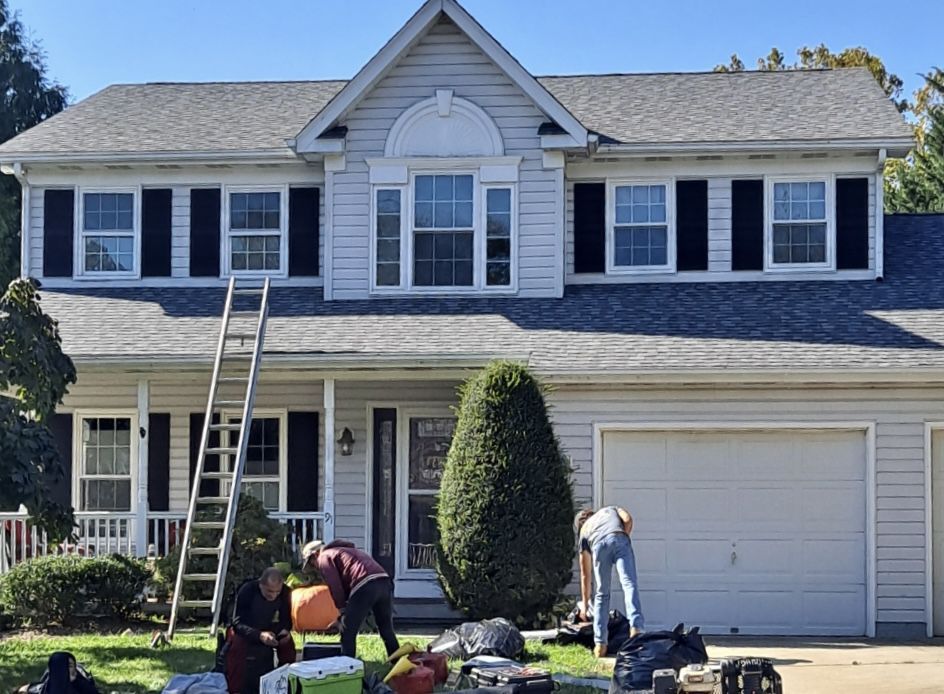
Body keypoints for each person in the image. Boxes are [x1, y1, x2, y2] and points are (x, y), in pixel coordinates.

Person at [301, 539, 399, 659]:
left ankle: (347, 667)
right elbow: (350, 590)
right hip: (384, 582)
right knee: (386, 628)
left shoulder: (324, 557)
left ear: (315, 554)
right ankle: (399, 664)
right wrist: (342, 616)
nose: (316, 568)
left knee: (348, 632)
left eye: (312, 564)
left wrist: (342, 612)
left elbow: (335, 586)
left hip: (364, 584)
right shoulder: (349, 551)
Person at [575, 506, 644, 658]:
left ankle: (600, 645)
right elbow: (628, 519)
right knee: (629, 584)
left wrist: (585, 607)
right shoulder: (611, 509)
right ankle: (636, 628)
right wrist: (622, 538)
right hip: (619, 536)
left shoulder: (584, 532)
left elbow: (586, 575)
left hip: (598, 545)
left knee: (602, 594)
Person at [225, 567, 296, 694]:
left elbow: (286, 620)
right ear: (261, 584)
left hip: (270, 628)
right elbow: (237, 623)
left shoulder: (285, 592)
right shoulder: (247, 591)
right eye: (269, 591)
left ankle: (287, 681)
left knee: (287, 642)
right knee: (236, 644)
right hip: (246, 629)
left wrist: (283, 631)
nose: (273, 595)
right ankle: (235, 689)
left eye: (277, 592)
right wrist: (259, 635)